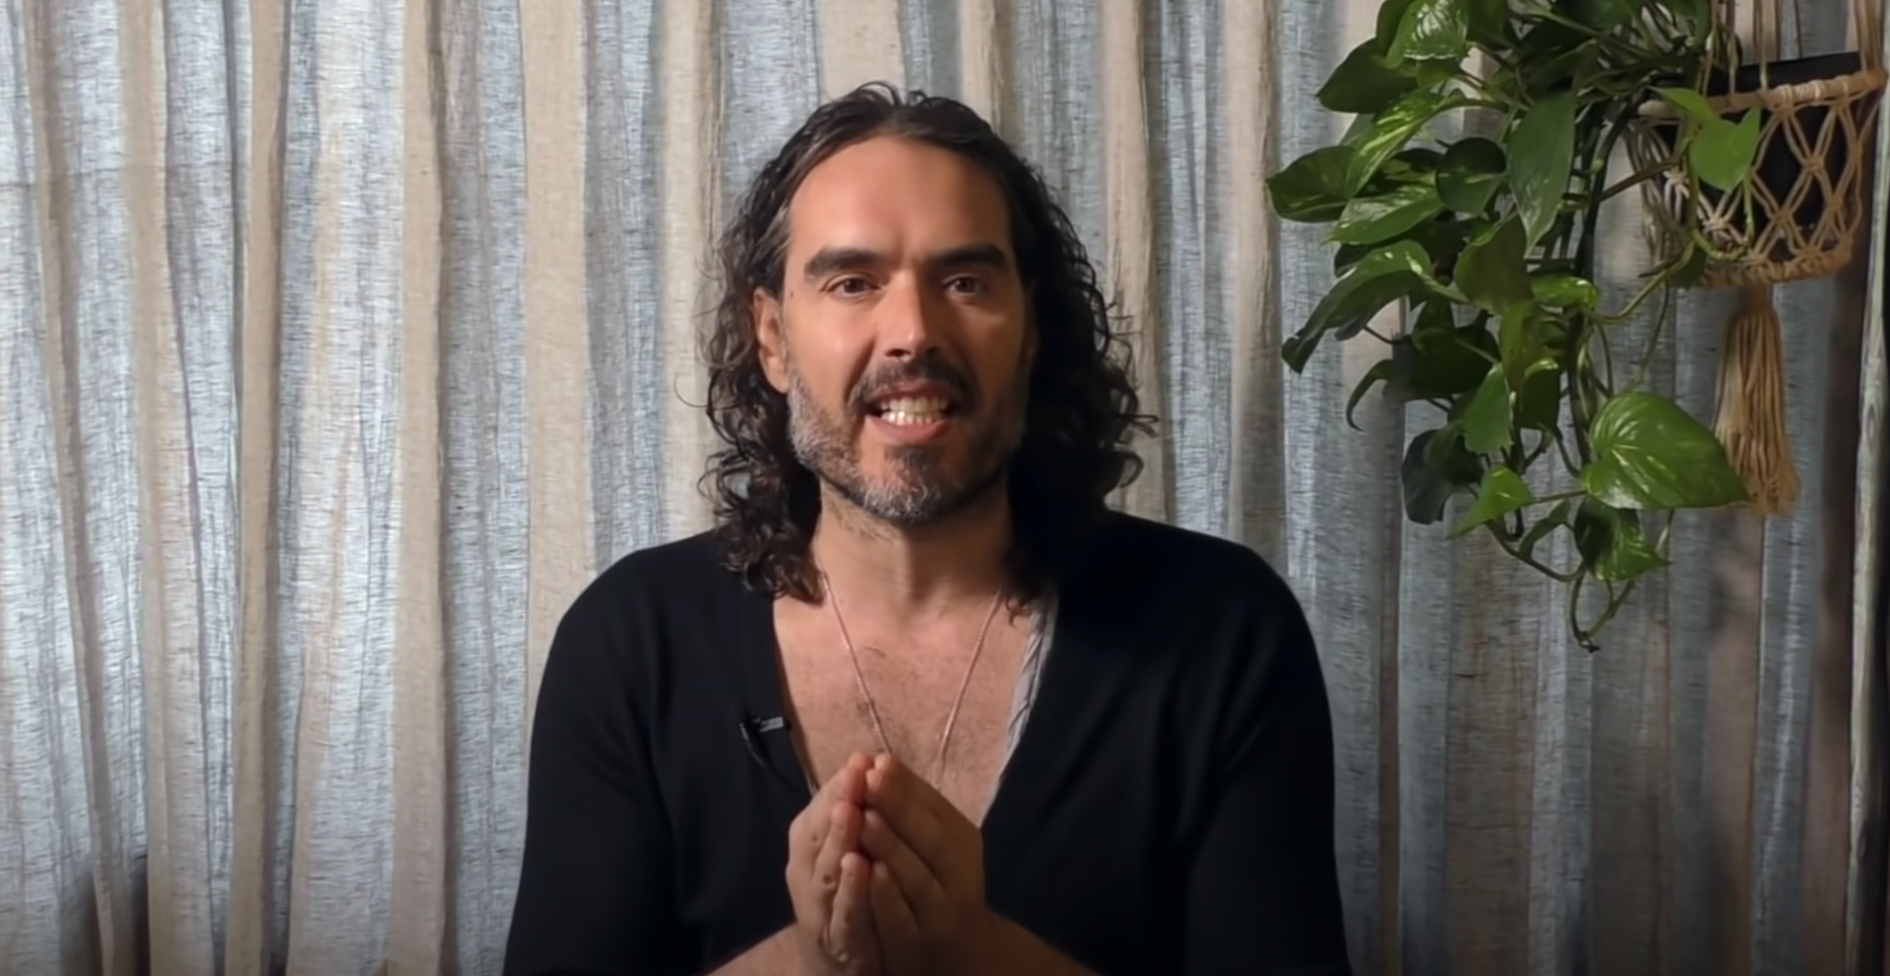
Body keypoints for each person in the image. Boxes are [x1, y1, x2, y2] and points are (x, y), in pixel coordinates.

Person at [501, 82, 1352, 976]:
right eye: (853, 283)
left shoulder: (1220, 632)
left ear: (1030, 332)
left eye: (965, 282)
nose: (912, 332)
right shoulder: (632, 642)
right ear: (773, 338)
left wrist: (973, 950)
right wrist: (811, 959)